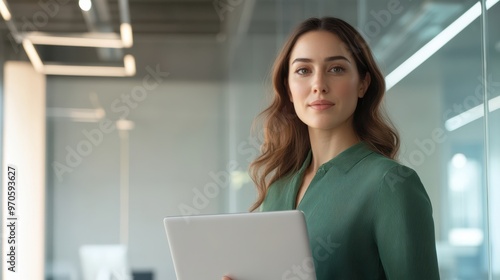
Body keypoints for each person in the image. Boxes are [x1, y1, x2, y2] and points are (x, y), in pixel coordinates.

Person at [223, 16, 440, 280]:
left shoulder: (391, 184)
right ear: (289, 89)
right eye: (303, 71)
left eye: (336, 69)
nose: (319, 85)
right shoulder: (278, 190)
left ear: (363, 84)